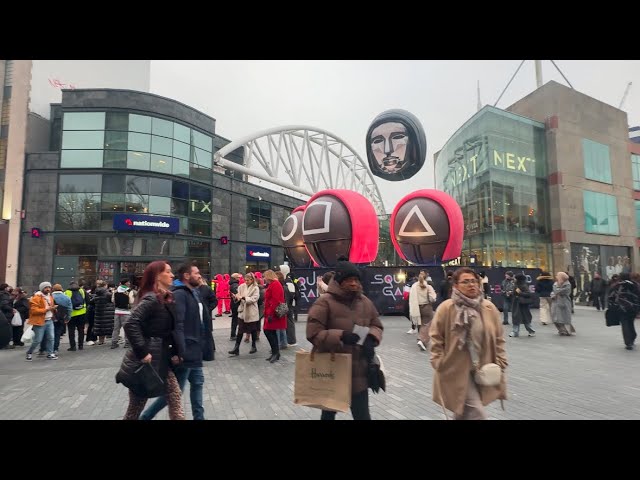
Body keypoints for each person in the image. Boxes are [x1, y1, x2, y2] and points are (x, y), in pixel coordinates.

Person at [307, 258, 383, 420]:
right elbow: (313, 333)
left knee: (363, 416)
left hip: (359, 372)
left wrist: (370, 337)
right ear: (339, 281)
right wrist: (341, 336)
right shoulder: (324, 302)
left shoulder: (365, 302)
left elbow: (376, 325)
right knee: (328, 415)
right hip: (332, 370)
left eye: (356, 280)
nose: (354, 283)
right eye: (349, 280)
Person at [429, 267, 507, 420]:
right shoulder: (446, 308)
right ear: (456, 286)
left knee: (463, 410)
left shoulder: (488, 308)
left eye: (474, 281)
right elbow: (436, 337)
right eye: (465, 282)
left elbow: (499, 337)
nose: (471, 285)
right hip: (455, 368)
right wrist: (438, 360)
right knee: (477, 412)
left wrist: (501, 359)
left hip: (482, 366)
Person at [140, 263, 213, 420]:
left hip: (195, 348)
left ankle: (199, 418)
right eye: (197, 273)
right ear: (187, 276)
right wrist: (181, 350)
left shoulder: (195, 292)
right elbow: (177, 324)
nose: (200, 276)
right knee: (175, 391)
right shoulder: (180, 294)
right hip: (185, 349)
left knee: (198, 383)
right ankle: (146, 416)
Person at [117, 260, 185, 420]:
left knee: (173, 396)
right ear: (157, 276)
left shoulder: (166, 297)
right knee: (136, 406)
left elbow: (168, 331)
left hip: (160, 359)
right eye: (168, 272)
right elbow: (130, 323)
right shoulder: (152, 299)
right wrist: (143, 352)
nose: (172, 275)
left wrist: (176, 353)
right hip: (146, 362)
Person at [228, 272, 261, 357]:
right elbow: (238, 296)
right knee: (240, 330)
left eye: (248, 280)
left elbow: (254, 299)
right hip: (242, 311)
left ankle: (254, 346)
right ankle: (236, 348)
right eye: (245, 280)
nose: (246, 282)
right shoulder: (241, 286)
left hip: (251, 311)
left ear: (252, 280)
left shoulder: (255, 288)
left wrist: (243, 298)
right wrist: (235, 297)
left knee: (253, 329)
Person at [606, 272, 640, 350]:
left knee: (625, 324)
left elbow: (611, 296)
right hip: (632, 308)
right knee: (630, 323)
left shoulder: (616, 285)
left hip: (621, 308)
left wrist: (611, 305)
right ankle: (632, 337)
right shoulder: (635, 285)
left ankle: (628, 342)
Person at [26, 282, 58, 361]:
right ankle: (29, 352)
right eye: (46, 287)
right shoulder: (36, 297)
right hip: (39, 321)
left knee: (51, 338)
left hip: (49, 320)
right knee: (38, 340)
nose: (48, 289)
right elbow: (34, 310)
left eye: (49, 287)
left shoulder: (50, 296)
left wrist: (54, 309)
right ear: (42, 288)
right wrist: (47, 309)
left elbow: (50, 307)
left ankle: (50, 353)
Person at [262, 270, 287, 363]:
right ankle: (275, 353)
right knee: (270, 332)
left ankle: (275, 353)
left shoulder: (275, 284)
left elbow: (275, 300)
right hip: (270, 313)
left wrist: (270, 313)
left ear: (268, 276)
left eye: (265, 276)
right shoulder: (273, 284)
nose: (264, 279)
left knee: (268, 332)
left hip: (273, 314)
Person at [409, 272, 437, 351]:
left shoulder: (414, 286)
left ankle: (422, 340)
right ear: (426, 278)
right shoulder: (428, 287)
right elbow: (433, 298)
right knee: (427, 325)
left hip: (416, 307)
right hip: (426, 307)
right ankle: (421, 339)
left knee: (420, 324)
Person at [111, 278, 135, 349]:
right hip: (126, 311)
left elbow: (112, 300)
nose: (129, 283)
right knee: (126, 328)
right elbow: (131, 301)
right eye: (128, 282)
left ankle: (114, 343)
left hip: (117, 311)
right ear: (126, 283)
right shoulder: (129, 291)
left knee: (116, 328)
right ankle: (127, 343)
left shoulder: (115, 291)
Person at [550, 272, 575, 336]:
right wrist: (553, 294)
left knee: (565, 317)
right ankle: (561, 330)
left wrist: (557, 291)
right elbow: (554, 291)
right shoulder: (555, 283)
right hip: (556, 302)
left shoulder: (567, 284)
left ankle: (568, 330)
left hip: (565, 302)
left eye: (557, 275)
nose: (556, 276)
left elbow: (564, 291)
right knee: (555, 318)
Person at [65, 280, 87, 351]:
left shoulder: (67, 292)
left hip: (72, 314)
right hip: (82, 313)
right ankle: (81, 345)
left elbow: (66, 303)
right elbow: (86, 300)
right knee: (81, 330)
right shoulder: (81, 291)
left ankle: (73, 346)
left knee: (71, 331)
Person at [91, 280, 115, 345]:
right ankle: (107, 339)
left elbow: (92, 301)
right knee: (106, 326)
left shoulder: (96, 293)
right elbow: (113, 300)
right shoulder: (108, 294)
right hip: (107, 312)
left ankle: (101, 340)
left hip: (99, 312)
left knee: (100, 326)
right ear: (105, 285)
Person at [51, 284, 72, 354]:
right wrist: (68, 318)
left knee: (49, 333)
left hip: (51, 317)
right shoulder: (66, 297)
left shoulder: (50, 297)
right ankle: (55, 348)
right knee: (57, 333)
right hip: (61, 317)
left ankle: (45, 348)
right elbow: (69, 309)